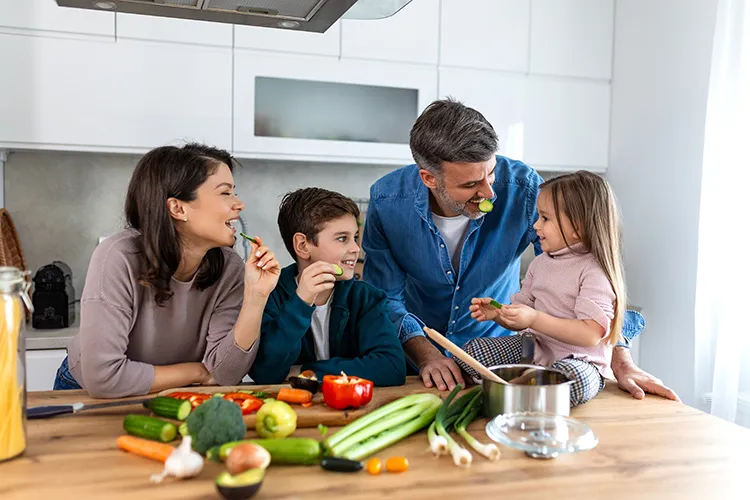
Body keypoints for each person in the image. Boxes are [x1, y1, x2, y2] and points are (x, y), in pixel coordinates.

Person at [362, 98, 679, 401]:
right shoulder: (388, 202)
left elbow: (589, 272)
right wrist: (428, 355)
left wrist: (620, 360)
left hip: (507, 362)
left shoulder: (525, 190)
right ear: (429, 178)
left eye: (491, 172)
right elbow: (384, 298)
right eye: (470, 185)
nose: (488, 192)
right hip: (420, 356)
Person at [53, 143, 281, 398]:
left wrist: (256, 297)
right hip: (86, 392)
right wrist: (196, 372)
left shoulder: (230, 267)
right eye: (225, 193)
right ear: (178, 208)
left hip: (173, 393)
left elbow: (225, 375)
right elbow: (104, 378)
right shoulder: (117, 256)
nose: (239, 204)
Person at [457, 171, 624, 406]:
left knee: (570, 378)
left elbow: (590, 334)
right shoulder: (541, 262)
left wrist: (534, 319)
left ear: (578, 226)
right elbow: (523, 313)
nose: (536, 225)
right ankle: (532, 383)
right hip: (534, 350)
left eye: (545, 218)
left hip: (581, 361)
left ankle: (527, 384)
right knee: (471, 352)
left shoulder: (593, 270)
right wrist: (499, 314)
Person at [249, 188, 406, 386]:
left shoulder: (367, 299)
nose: (356, 248)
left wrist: (309, 371)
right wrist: (300, 303)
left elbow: (391, 367)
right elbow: (265, 373)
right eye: (342, 238)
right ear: (303, 246)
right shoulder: (270, 295)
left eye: (355, 237)